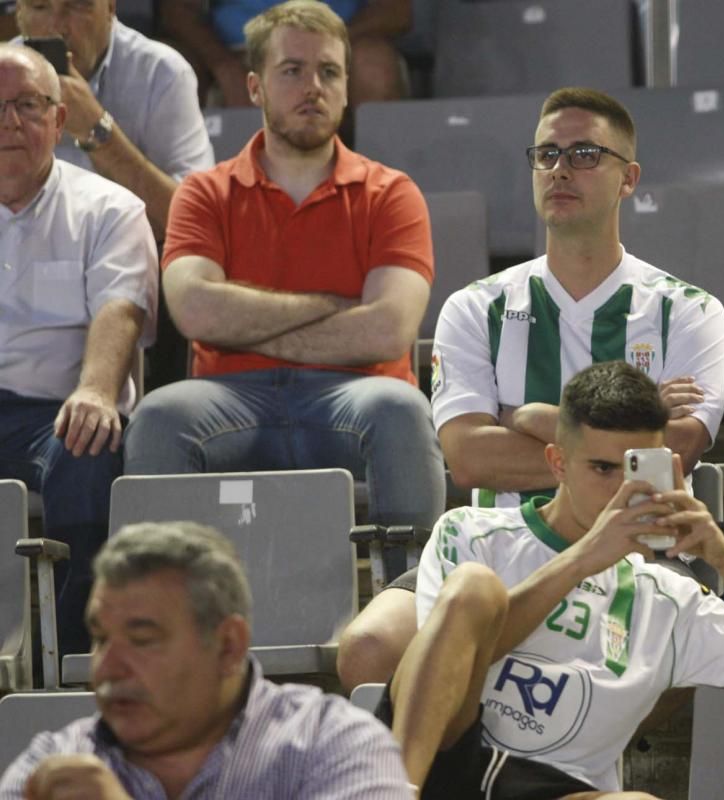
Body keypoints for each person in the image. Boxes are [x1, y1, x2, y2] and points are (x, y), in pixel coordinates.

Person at [335, 86, 724, 690]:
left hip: (636, 552)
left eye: (584, 154)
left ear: (629, 179)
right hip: (492, 550)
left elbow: (671, 455)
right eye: (546, 155)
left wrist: (528, 415)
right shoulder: (474, 307)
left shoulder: (691, 310)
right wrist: (611, 451)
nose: (560, 169)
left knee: (660, 658)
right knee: (366, 648)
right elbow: (468, 457)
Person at [376, 361, 724, 798]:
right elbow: (451, 658)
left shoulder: (670, 599)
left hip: (554, 786)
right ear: (558, 463)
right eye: (603, 468)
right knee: (475, 587)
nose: (619, 489)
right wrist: (583, 559)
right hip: (445, 760)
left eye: (634, 469)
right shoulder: (471, 532)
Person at [123, 0, 444, 543]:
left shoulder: (392, 193)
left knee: (403, 410)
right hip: (230, 398)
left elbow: (389, 330)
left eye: (329, 72)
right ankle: (172, 612)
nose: (312, 87)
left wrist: (247, 324)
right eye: (292, 71)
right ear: (254, 88)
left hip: (356, 396)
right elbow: (197, 312)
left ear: (346, 89)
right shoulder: (204, 193)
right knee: (159, 417)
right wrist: (334, 308)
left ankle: (407, 599)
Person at [0, 521, 414, 799]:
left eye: (142, 639)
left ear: (229, 645)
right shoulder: (55, 765)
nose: (107, 667)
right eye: (100, 638)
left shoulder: (332, 745)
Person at [0, 43, 157, 657]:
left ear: (60, 121)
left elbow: (120, 310)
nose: (10, 122)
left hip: (58, 413)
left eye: (27, 105)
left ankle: (71, 661)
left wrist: (95, 389)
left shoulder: (109, 209)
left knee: (90, 449)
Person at [12, 0, 214, 239]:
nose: (57, 27)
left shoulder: (161, 73)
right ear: (19, 14)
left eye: (76, 6)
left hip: (127, 252)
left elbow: (197, 222)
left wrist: (97, 130)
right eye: (39, 8)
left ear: (110, 8)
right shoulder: (5, 75)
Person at [160, 0, 409, 107]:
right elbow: (176, 11)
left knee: (374, 66)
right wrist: (224, 66)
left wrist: (327, 42)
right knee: (169, 68)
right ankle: (188, 206)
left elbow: (397, 11)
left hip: (340, 41)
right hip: (236, 51)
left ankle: (379, 202)